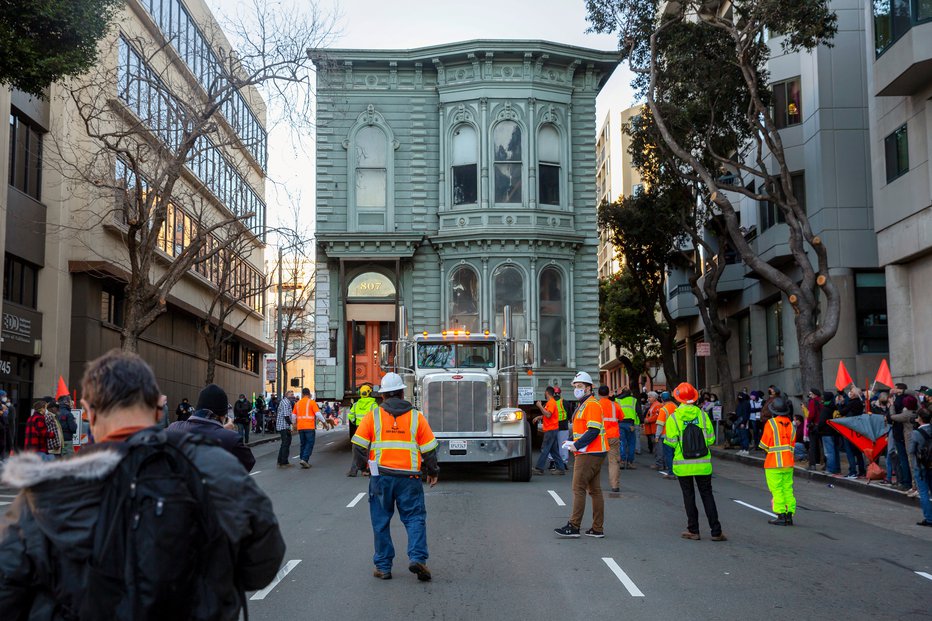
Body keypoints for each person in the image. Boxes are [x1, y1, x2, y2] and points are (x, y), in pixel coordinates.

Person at [0, 350, 285, 618]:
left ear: (88, 411)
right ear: (156, 406)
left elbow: (8, 587)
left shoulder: (47, 490)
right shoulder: (214, 465)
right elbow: (262, 562)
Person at [351, 372, 439, 581]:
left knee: (381, 522)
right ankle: (417, 558)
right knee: (414, 518)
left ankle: (383, 567)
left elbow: (358, 446)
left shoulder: (373, 416)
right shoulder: (417, 417)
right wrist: (433, 472)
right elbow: (429, 450)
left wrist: (363, 466)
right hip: (409, 479)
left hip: (381, 478)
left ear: (382, 396)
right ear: (402, 393)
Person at [665, 382, 726, 541]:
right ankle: (716, 531)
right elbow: (711, 439)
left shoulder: (674, 417)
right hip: (703, 463)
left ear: (678, 399)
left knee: (689, 496)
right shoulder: (703, 415)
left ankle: (693, 530)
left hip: (683, 464)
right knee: (707, 495)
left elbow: (670, 441)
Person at [554, 371, 608, 539]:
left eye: (580, 386)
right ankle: (597, 528)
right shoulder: (584, 404)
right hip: (595, 451)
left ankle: (574, 526)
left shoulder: (591, 405)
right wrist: (571, 440)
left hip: (589, 453)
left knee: (578, 489)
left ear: (589, 388)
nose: (577, 389)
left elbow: (593, 431)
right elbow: (583, 430)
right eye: (575, 386)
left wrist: (576, 445)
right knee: (595, 490)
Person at [167, 384, 256, 472]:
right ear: (223, 415)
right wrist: (223, 430)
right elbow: (248, 462)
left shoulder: (173, 428)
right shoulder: (231, 439)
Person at [759, 397, 797, 525]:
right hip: (788, 462)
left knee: (777, 489)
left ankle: (781, 515)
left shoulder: (771, 423)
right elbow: (792, 444)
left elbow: (764, 444)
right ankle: (789, 515)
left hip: (773, 463)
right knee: (787, 488)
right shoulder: (791, 424)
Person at [533, 386, 566, 476]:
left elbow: (548, 415)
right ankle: (560, 468)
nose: (544, 393)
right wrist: (539, 417)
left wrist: (540, 406)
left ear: (547, 393)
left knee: (545, 449)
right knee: (554, 451)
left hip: (551, 430)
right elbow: (548, 415)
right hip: (552, 429)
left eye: (544, 392)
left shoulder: (551, 403)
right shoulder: (550, 403)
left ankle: (539, 468)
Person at [909, 407, 932, 527]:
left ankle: (929, 518)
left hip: (921, 465)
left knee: (923, 492)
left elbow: (911, 450)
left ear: (920, 419)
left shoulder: (916, 433)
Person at [348, 386, 378, 476]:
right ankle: (368, 469)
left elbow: (351, 416)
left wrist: (355, 422)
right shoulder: (373, 405)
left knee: (357, 449)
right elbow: (377, 418)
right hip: (370, 429)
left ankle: (353, 470)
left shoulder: (356, 404)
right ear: (369, 393)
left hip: (359, 428)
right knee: (370, 450)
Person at [596, 385, 621, 492]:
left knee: (596, 462)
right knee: (613, 462)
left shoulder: (596, 405)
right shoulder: (614, 405)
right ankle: (615, 485)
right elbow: (621, 417)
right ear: (608, 393)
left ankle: (594, 485)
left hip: (600, 436)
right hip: (614, 435)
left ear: (598, 394)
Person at [840, 387, 867, 479]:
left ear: (855, 394)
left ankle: (852, 471)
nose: (849, 393)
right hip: (857, 429)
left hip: (850, 429)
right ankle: (862, 471)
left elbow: (842, 412)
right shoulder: (860, 403)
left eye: (851, 392)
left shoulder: (852, 403)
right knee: (858, 452)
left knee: (850, 451)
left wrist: (841, 404)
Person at [293, 388, 320, 468]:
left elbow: (293, 416)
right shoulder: (311, 402)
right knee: (309, 443)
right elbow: (318, 414)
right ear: (309, 394)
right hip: (309, 427)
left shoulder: (297, 403)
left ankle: (303, 459)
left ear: (302, 394)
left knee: (303, 444)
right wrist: (324, 423)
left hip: (300, 427)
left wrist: (294, 424)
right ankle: (304, 459)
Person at [614, 385, 638, 469]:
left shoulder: (617, 400)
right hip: (630, 424)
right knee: (631, 443)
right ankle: (630, 463)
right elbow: (638, 412)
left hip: (620, 423)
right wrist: (639, 422)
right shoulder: (634, 400)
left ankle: (622, 461)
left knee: (622, 443)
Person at [276, 390, 296, 468]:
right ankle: (284, 462)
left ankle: (280, 461)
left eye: (293, 394)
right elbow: (286, 415)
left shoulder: (287, 402)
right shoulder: (285, 402)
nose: (293, 396)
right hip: (283, 426)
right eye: (291, 394)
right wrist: (291, 424)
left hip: (284, 426)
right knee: (286, 443)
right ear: (286, 395)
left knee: (285, 443)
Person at [806, 388, 823, 469]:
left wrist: (808, 422)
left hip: (814, 426)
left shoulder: (812, 401)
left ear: (814, 394)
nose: (810, 396)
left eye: (810, 394)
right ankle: (825, 464)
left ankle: (812, 464)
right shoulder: (821, 401)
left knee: (812, 446)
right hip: (822, 425)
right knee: (823, 446)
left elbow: (811, 414)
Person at [553, 386, 570, 465]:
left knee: (553, 445)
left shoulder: (550, 402)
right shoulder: (565, 402)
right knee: (563, 445)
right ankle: (564, 462)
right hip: (563, 426)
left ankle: (552, 462)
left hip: (553, 426)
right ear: (560, 393)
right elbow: (569, 414)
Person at [734, 391, 751, 455]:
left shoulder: (746, 403)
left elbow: (746, 414)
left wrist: (744, 422)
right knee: (740, 436)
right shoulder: (739, 404)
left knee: (744, 436)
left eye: (740, 396)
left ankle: (746, 449)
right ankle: (742, 448)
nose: (739, 397)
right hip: (738, 421)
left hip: (743, 421)